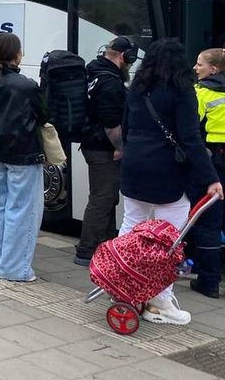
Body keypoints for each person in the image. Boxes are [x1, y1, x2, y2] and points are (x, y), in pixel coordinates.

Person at [119, 39, 223, 324]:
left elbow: (126, 129)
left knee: (131, 227)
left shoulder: (137, 90)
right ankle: (160, 301)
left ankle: (122, 286)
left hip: (134, 166)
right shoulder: (181, 91)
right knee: (169, 239)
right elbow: (191, 140)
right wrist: (210, 179)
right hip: (166, 173)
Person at [0, 33, 47, 282]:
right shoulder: (27, 85)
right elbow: (43, 114)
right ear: (17, 54)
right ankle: (15, 268)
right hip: (23, 150)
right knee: (22, 210)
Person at [73, 37, 135, 267]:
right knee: (102, 198)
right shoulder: (110, 82)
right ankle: (86, 250)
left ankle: (105, 245)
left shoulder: (95, 72)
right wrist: (120, 148)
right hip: (103, 148)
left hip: (92, 144)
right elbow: (110, 122)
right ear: (123, 56)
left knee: (106, 197)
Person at [192, 48, 225, 299]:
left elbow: (190, 129)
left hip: (215, 160)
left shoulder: (201, 93)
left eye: (200, 64)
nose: (195, 67)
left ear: (214, 69)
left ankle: (209, 282)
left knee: (208, 221)